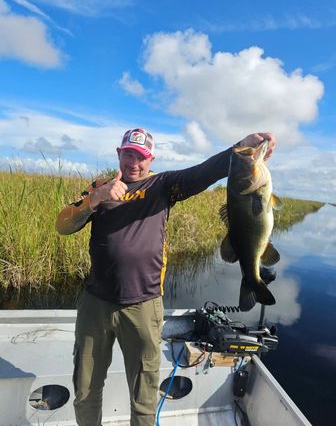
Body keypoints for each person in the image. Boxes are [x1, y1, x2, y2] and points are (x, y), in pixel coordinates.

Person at [55, 128, 276, 426]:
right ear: (119, 154)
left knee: (144, 397)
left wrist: (240, 147)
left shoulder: (164, 185)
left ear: (151, 159)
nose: (134, 162)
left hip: (143, 307)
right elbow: (64, 224)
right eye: (129, 154)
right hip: (95, 304)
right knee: (85, 389)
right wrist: (95, 199)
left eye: (141, 156)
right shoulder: (100, 187)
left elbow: (204, 173)